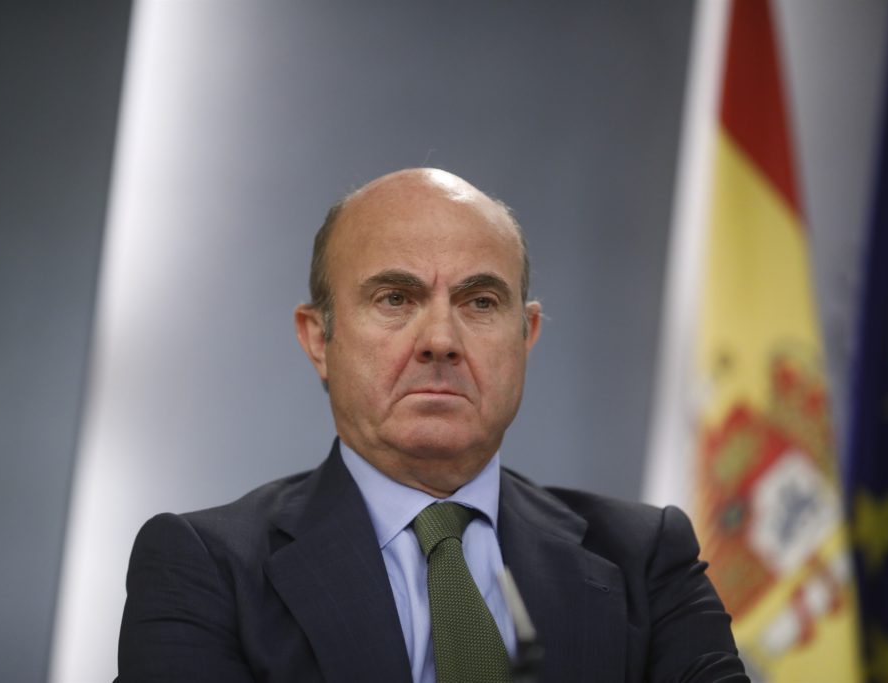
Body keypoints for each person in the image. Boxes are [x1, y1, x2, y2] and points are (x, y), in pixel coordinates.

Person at [115, 168, 748, 682]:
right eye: (395, 298)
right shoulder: (204, 570)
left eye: (480, 302)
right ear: (318, 339)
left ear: (525, 336)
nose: (441, 339)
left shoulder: (643, 556)